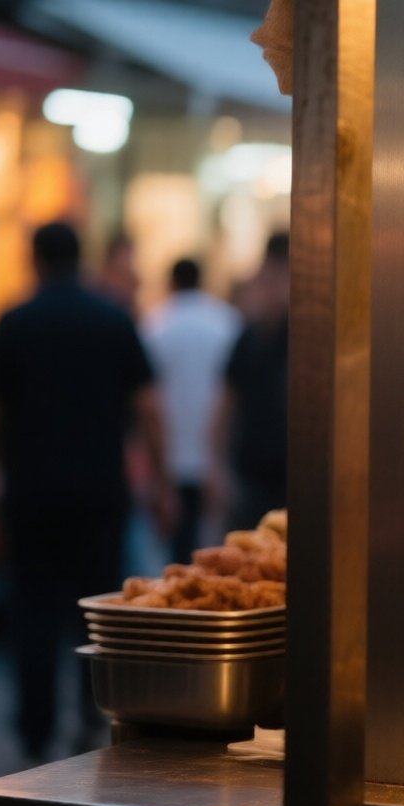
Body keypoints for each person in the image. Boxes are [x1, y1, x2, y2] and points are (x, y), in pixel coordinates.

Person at [0, 222, 172, 761]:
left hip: (31, 494)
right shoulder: (113, 320)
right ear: (81, 258)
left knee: (33, 613)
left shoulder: (14, 323)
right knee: (98, 612)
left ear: (34, 261)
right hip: (99, 493)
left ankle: (34, 731)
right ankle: (91, 715)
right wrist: (161, 482)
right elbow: (149, 409)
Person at [141, 258, 241, 564]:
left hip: (171, 453)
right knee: (219, 549)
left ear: (171, 283)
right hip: (217, 454)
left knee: (176, 551)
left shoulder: (154, 325)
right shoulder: (228, 322)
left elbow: (148, 399)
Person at [218, 233, 288, 530]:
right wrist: (217, 471)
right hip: (251, 483)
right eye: (267, 279)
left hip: (298, 484)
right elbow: (222, 409)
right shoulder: (248, 339)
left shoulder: (313, 342)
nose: (271, 289)